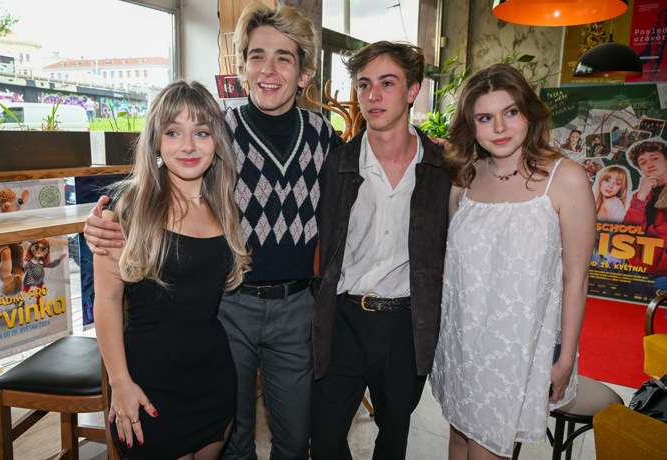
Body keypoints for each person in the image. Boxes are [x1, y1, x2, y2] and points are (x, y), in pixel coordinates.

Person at [83, 3, 342, 459]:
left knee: (294, 437)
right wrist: (105, 220)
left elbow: (365, 180)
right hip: (228, 305)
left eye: (283, 58)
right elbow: (160, 174)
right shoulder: (217, 129)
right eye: (257, 56)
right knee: (233, 439)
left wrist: (429, 148)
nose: (268, 69)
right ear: (242, 69)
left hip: (296, 306)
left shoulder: (324, 135)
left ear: (304, 74)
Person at [430, 63, 596, 459]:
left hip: (516, 349)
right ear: (471, 126)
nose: (500, 128)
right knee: (458, 439)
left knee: (486, 449)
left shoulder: (566, 179)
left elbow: (576, 279)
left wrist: (565, 358)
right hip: (462, 343)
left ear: (529, 113)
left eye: (511, 112)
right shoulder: (465, 179)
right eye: (485, 118)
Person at [93, 80, 250, 459]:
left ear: (217, 142)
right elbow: (107, 301)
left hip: (214, 382)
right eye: (173, 132)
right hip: (148, 387)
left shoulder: (225, 207)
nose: (189, 146)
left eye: (202, 132)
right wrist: (120, 383)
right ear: (155, 141)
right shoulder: (125, 208)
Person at [311, 41, 451, 460]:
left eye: (387, 83)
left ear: (413, 90)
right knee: (325, 439)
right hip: (342, 321)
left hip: (405, 326)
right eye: (364, 84)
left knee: (392, 441)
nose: (373, 96)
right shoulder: (336, 165)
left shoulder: (442, 169)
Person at [623, 139, 667, 296]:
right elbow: (628, 232)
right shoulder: (641, 193)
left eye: (654, 158)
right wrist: (641, 196)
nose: (649, 164)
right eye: (643, 162)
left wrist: (640, 234)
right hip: (637, 273)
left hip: (663, 276)